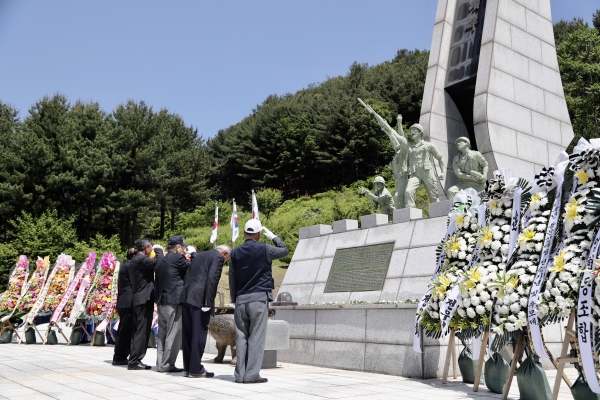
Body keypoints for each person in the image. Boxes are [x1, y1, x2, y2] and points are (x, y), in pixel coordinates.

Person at [229, 219, 289, 384]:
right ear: (259, 235)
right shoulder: (265, 248)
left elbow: (232, 278)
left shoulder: (235, 252)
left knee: (241, 337)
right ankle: (251, 375)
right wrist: (274, 237)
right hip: (259, 298)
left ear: (244, 234)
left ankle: (240, 375)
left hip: (241, 300)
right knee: (256, 337)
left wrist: (233, 299)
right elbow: (284, 250)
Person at [180, 244, 231, 378]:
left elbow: (188, 274)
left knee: (188, 334)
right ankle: (195, 369)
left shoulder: (200, 255)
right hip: (200, 299)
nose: (225, 261)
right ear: (225, 254)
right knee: (199, 333)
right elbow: (212, 279)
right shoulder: (218, 258)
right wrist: (208, 301)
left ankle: (188, 368)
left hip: (186, 296)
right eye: (227, 259)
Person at [154, 235, 193, 373]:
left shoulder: (161, 260)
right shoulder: (178, 258)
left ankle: (160, 364)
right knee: (174, 334)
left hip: (161, 300)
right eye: (182, 247)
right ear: (177, 248)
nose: (183, 250)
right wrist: (192, 254)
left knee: (162, 334)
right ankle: (167, 365)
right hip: (174, 301)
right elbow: (192, 268)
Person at [128, 238, 163, 370]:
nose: (152, 250)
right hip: (143, 299)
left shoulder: (136, 259)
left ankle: (134, 359)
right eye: (151, 247)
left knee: (138, 331)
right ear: (146, 248)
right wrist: (159, 251)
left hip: (140, 299)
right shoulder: (141, 259)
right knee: (142, 332)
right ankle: (135, 360)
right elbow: (158, 263)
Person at [401, 123, 446, 207]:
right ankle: (410, 212)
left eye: (414, 130)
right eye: (411, 131)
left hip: (427, 172)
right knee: (408, 191)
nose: (412, 132)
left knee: (434, 197)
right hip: (415, 174)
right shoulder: (410, 146)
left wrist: (443, 172)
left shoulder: (428, 145)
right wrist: (399, 123)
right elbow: (401, 138)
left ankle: (438, 213)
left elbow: (440, 157)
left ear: (420, 132)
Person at [112, 248, 138, 365]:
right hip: (127, 302)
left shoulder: (126, 265)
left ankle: (120, 355)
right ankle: (120, 356)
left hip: (124, 302)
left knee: (124, 330)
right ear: (133, 256)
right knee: (125, 332)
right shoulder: (129, 266)